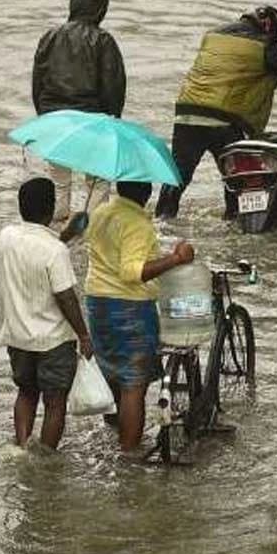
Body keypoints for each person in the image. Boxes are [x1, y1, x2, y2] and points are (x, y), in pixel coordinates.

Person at [154, 5, 277, 219]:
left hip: (188, 113)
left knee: (178, 174)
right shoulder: (264, 44)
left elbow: (237, 73)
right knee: (238, 177)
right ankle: (234, 219)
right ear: (268, 25)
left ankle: (162, 219)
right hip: (224, 119)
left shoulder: (213, 36)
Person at [84, 181, 195, 453]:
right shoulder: (136, 222)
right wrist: (176, 259)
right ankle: (128, 455)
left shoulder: (100, 212)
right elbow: (132, 272)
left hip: (97, 303)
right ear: (147, 194)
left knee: (112, 372)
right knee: (133, 384)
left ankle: (114, 435)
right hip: (129, 307)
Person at [0, 177, 94, 450]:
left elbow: (36, 249)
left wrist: (66, 236)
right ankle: (46, 455)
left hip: (18, 336)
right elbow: (66, 297)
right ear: (50, 209)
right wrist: (84, 335)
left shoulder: (6, 237)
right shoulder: (55, 251)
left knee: (26, 392)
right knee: (55, 400)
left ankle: (23, 446)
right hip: (53, 340)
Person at [31, 0, 127, 223]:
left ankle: (57, 218)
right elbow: (113, 84)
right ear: (98, 11)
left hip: (54, 119)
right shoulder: (103, 40)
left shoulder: (49, 36)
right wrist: (113, 116)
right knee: (97, 180)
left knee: (59, 181)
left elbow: (37, 81)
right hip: (91, 119)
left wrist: (43, 115)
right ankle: (92, 225)